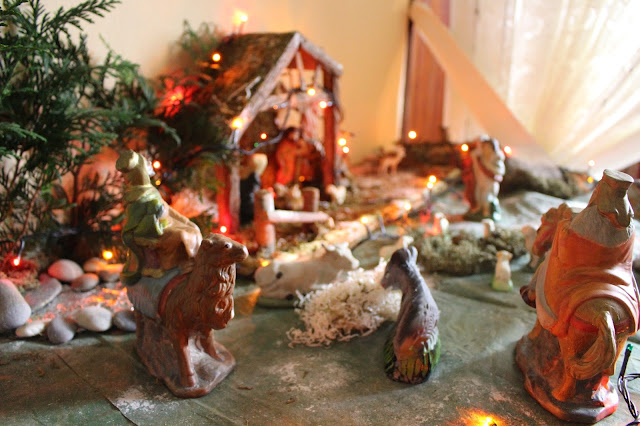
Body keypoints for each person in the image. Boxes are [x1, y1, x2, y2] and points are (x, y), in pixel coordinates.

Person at [463, 136, 505, 221]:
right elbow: (473, 159)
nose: (486, 149)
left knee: (486, 197)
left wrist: (488, 167)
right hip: (480, 182)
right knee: (478, 196)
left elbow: (500, 171)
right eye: (484, 147)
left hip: (490, 183)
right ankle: (479, 209)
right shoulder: (480, 157)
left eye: (488, 147)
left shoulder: (496, 158)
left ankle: (487, 212)